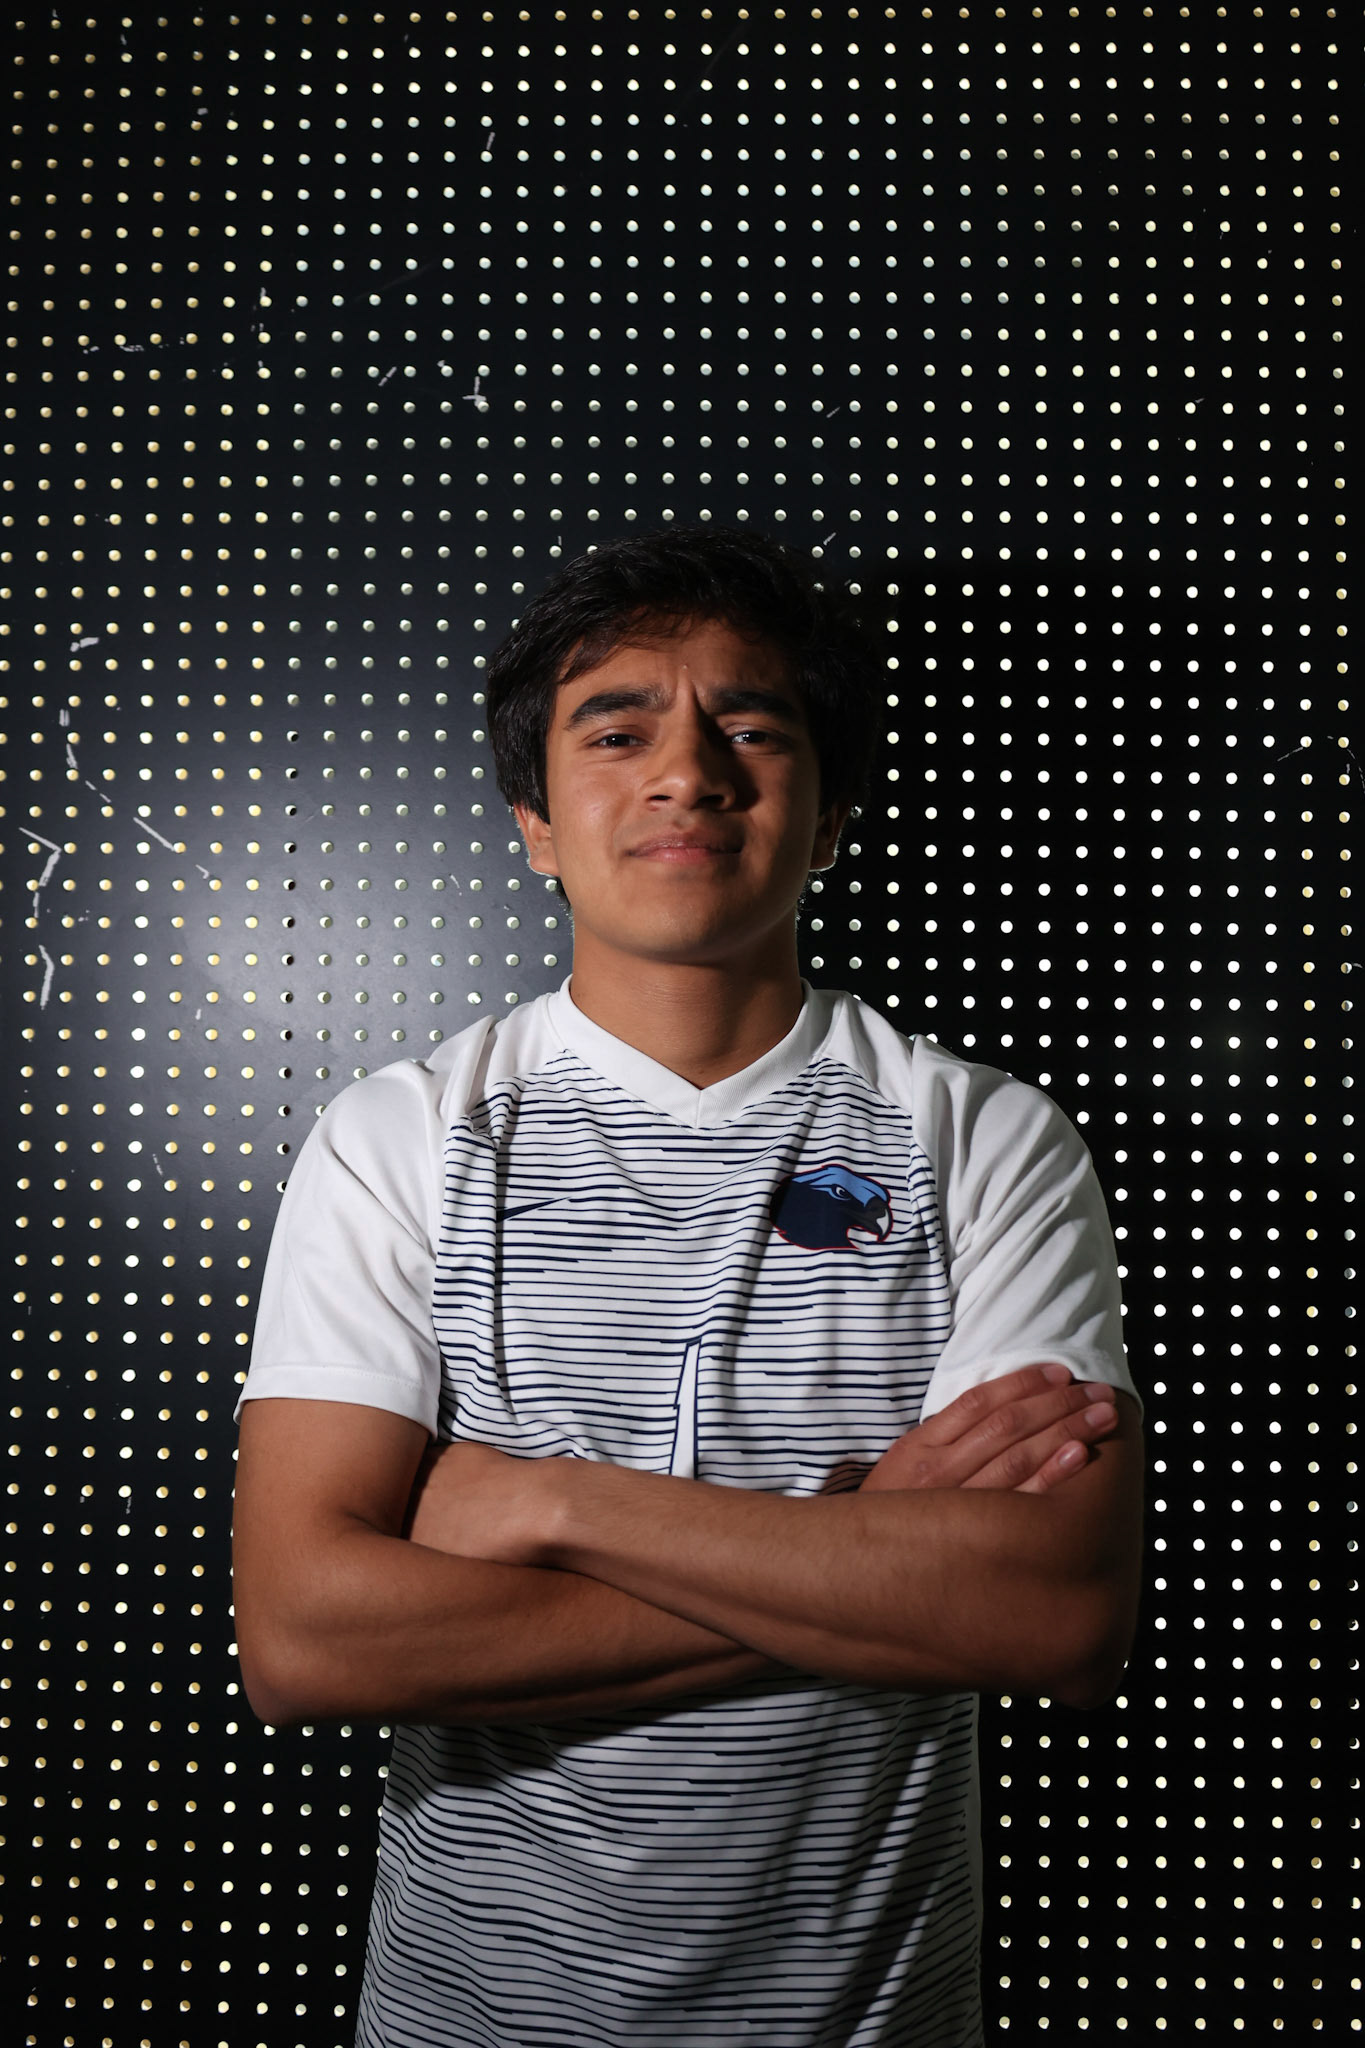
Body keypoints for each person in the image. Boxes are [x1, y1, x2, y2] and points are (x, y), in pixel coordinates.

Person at [232, 526, 1143, 2048]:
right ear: (532, 819)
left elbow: (1047, 1611)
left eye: (751, 726)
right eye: (618, 727)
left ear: (831, 812)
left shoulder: (983, 1137)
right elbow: (312, 1641)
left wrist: (550, 1500)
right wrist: (867, 1552)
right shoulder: (397, 1138)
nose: (686, 771)